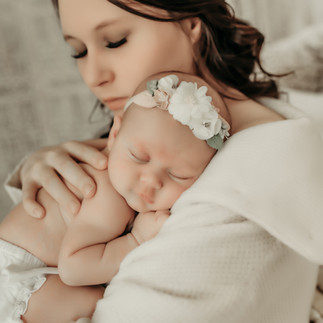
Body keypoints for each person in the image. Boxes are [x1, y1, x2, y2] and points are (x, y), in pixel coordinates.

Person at [4, 0, 323, 322]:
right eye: (79, 52)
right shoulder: (257, 124)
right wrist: (48, 167)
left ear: (190, 25)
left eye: (115, 40)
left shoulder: (236, 194)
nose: (93, 76)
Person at [0, 72, 228, 322]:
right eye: (139, 157)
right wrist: (136, 240)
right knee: (89, 301)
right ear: (115, 133)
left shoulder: (125, 166)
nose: (150, 181)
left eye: (178, 175)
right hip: (15, 275)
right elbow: (73, 269)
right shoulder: (107, 194)